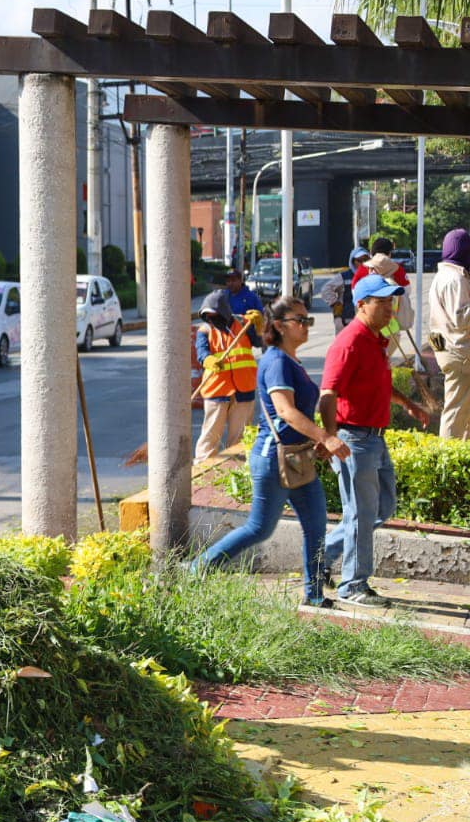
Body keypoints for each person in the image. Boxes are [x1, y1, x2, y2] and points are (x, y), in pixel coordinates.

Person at [193, 297, 350, 607]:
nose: (306, 326)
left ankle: (315, 595)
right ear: (279, 326)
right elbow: (285, 412)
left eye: (308, 320)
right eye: (300, 320)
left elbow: (299, 412)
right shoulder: (276, 361)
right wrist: (326, 437)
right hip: (273, 459)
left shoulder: (290, 360)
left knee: (317, 525)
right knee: (259, 528)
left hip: (298, 458)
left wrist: (317, 440)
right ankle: (197, 569)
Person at [319, 273, 431, 607]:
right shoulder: (349, 341)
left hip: (374, 439)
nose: (389, 309)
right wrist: (330, 438)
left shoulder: (375, 339)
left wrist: (407, 403)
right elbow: (327, 395)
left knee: (382, 508)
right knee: (360, 514)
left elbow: (379, 384)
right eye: (381, 302)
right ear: (361, 304)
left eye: (390, 302)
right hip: (354, 438)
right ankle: (353, 586)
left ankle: (320, 558)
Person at [194, 289, 260, 460]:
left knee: (240, 437)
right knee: (210, 434)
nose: (211, 318)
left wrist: (260, 325)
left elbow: (261, 341)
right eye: (207, 315)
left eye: (214, 314)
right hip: (217, 389)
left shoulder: (244, 325)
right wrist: (208, 361)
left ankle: (237, 469)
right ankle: (203, 466)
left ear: (223, 311)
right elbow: (201, 352)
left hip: (244, 388)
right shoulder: (205, 330)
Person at [429, 228, 470, 440]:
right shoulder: (456, 278)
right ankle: (448, 456)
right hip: (460, 350)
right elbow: (462, 318)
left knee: (462, 408)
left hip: (447, 348)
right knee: (456, 408)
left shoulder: (442, 275)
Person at [353, 236, 414, 351]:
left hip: (368, 325)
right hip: (391, 324)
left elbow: (355, 295)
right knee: (384, 360)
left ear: (371, 252)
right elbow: (407, 291)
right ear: (389, 253)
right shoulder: (397, 269)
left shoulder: (363, 269)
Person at [320, 248, 364, 334]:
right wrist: (336, 305)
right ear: (353, 261)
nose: (362, 263)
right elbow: (326, 290)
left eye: (365, 260)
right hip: (347, 320)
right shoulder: (344, 277)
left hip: (365, 321)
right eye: (359, 260)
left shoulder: (370, 276)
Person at [223, 267, 263, 347]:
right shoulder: (223, 296)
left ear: (241, 281)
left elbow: (261, 316)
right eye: (228, 281)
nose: (230, 283)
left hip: (245, 338)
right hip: (227, 337)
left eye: (233, 280)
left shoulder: (251, 297)